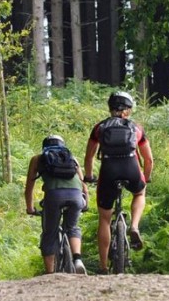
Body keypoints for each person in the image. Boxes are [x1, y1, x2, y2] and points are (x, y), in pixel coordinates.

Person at [83, 91, 154, 274]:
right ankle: (134, 226)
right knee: (139, 192)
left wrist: (89, 176)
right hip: (130, 166)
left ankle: (103, 267)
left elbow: (89, 156)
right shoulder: (136, 129)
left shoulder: (99, 128)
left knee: (104, 219)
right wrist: (145, 178)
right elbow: (149, 160)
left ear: (110, 108)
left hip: (108, 169)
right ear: (128, 111)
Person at [25, 135, 89, 275]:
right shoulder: (71, 157)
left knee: (49, 233)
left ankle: (50, 273)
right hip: (76, 196)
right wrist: (86, 204)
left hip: (54, 197)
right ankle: (77, 259)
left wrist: (30, 208)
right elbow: (84, 185)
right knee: (72, 227)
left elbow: (29, 186)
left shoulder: (38, 159)